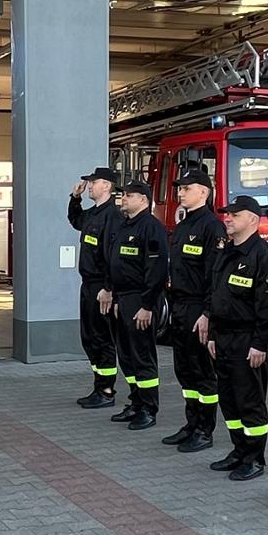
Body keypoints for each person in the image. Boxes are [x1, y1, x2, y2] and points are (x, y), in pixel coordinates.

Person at [203, 196, 268, 481]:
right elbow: (216, 295)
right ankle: (238, 451)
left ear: (253, 219)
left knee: (249, 402)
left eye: (235, 215)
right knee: (229, 400)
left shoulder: (263, 255)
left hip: (247, 340)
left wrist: (260, 343)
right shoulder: (225, 252)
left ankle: (254, 458)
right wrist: (212, 334)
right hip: (223, 337)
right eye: (228, 214)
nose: (228, 219)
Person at [160, 168, 226, 453]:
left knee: (202, 371)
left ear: (204, 192)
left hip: (199, 306)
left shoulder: (212, 227)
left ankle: (204, 429)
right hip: (180, 304)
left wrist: (208, 313)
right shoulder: (185, 225)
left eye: (187, 188)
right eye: (180, 188)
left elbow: (216, 274)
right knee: (184, 369)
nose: (181, 192)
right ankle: (191, 423)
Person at [103, 181, 170, 430]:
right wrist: (118, 298)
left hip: (142, 300)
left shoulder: (151, 228)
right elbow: (117, 264)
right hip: (125, 299)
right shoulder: (124, 226)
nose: (123, 199)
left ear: (143, 200)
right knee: (127, 356)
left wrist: (147, 305)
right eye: (122, 195)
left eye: (129, 195)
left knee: (143, 356)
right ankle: (136, 402)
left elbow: (157, 269)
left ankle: (149, 409)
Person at [67, 167, 123, 408]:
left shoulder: (114, 216)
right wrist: (74, 198)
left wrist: (108, 289)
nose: (90, 185)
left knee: (103, 339)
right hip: (88, 285)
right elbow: (75, 220)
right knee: (89, 338)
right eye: (89, 182)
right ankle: (99, 387)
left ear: (107, 186)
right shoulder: (93, 214)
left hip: (102, 287)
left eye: (94, 182)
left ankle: (107, 392)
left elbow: (113, 257)